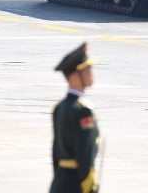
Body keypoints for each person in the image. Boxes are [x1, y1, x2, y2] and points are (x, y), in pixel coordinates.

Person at [50, 42, 100, 193]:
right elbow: (84, 154)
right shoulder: (82, 111)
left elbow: (55, 154)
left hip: (59, 183)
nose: (91, 72)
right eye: (87, 69)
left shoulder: (59, 107)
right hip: (76, 184)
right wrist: (89, 188)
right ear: (75, 75)